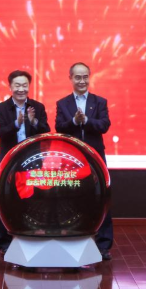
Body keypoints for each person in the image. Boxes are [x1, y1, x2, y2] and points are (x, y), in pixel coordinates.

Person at [55, 62, 113, 260]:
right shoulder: (63, 103)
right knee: (71, 198)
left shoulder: (100, 102)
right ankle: (71, 239)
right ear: (70, 78)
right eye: (78, 77)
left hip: (95, 158)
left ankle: (103, 245)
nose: (82, 81)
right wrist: (74, 121)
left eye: (85, 77)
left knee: (100, 198)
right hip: (71, 159)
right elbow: (59, 127)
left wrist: (86, 121)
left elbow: (104, 125)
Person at [0, 69, 50, 253]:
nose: (21, 89)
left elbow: (46, 131)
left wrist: (33, 122)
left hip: (32, 161)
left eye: (24, 85)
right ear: (10, 87)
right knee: (7, 200)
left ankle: (31, 238)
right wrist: (17, 123)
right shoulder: (1, 108)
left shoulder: (37, 107)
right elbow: (1, 133)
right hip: (9, 162)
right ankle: (5, 243)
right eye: (17, 85)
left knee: (33, 202)